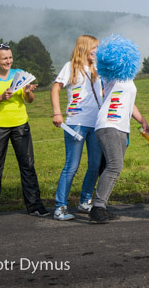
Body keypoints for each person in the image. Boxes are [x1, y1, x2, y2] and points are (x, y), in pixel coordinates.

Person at [0, 43, 48, 220]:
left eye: (10, 57)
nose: (8, 61)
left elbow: (29, 100)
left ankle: (35, 206)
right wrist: (1, 97)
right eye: (4, 58)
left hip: (20, 124)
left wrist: (28, 91)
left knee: (27, 165)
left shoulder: (20, 74)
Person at [89, 35, 149, 223]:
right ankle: (97, 207)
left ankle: (101, 206)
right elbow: (100, 64)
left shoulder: (127, 79)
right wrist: (100, 57)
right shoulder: (110, 76)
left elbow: (130, 103)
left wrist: (143, 121)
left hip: (122, 126)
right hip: (109, 124)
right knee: (115, 166)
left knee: (114, 167)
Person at [51, 35, 104, 221]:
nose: (97, 51)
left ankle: (85, 201)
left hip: (96, 123)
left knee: (95, 165)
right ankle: (60, 207)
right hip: (76, 123)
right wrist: (57, 112)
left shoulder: (97, 69)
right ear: (84, 47)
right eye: (94, 47)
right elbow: (55, 88)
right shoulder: (70, 67)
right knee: (71, 166)